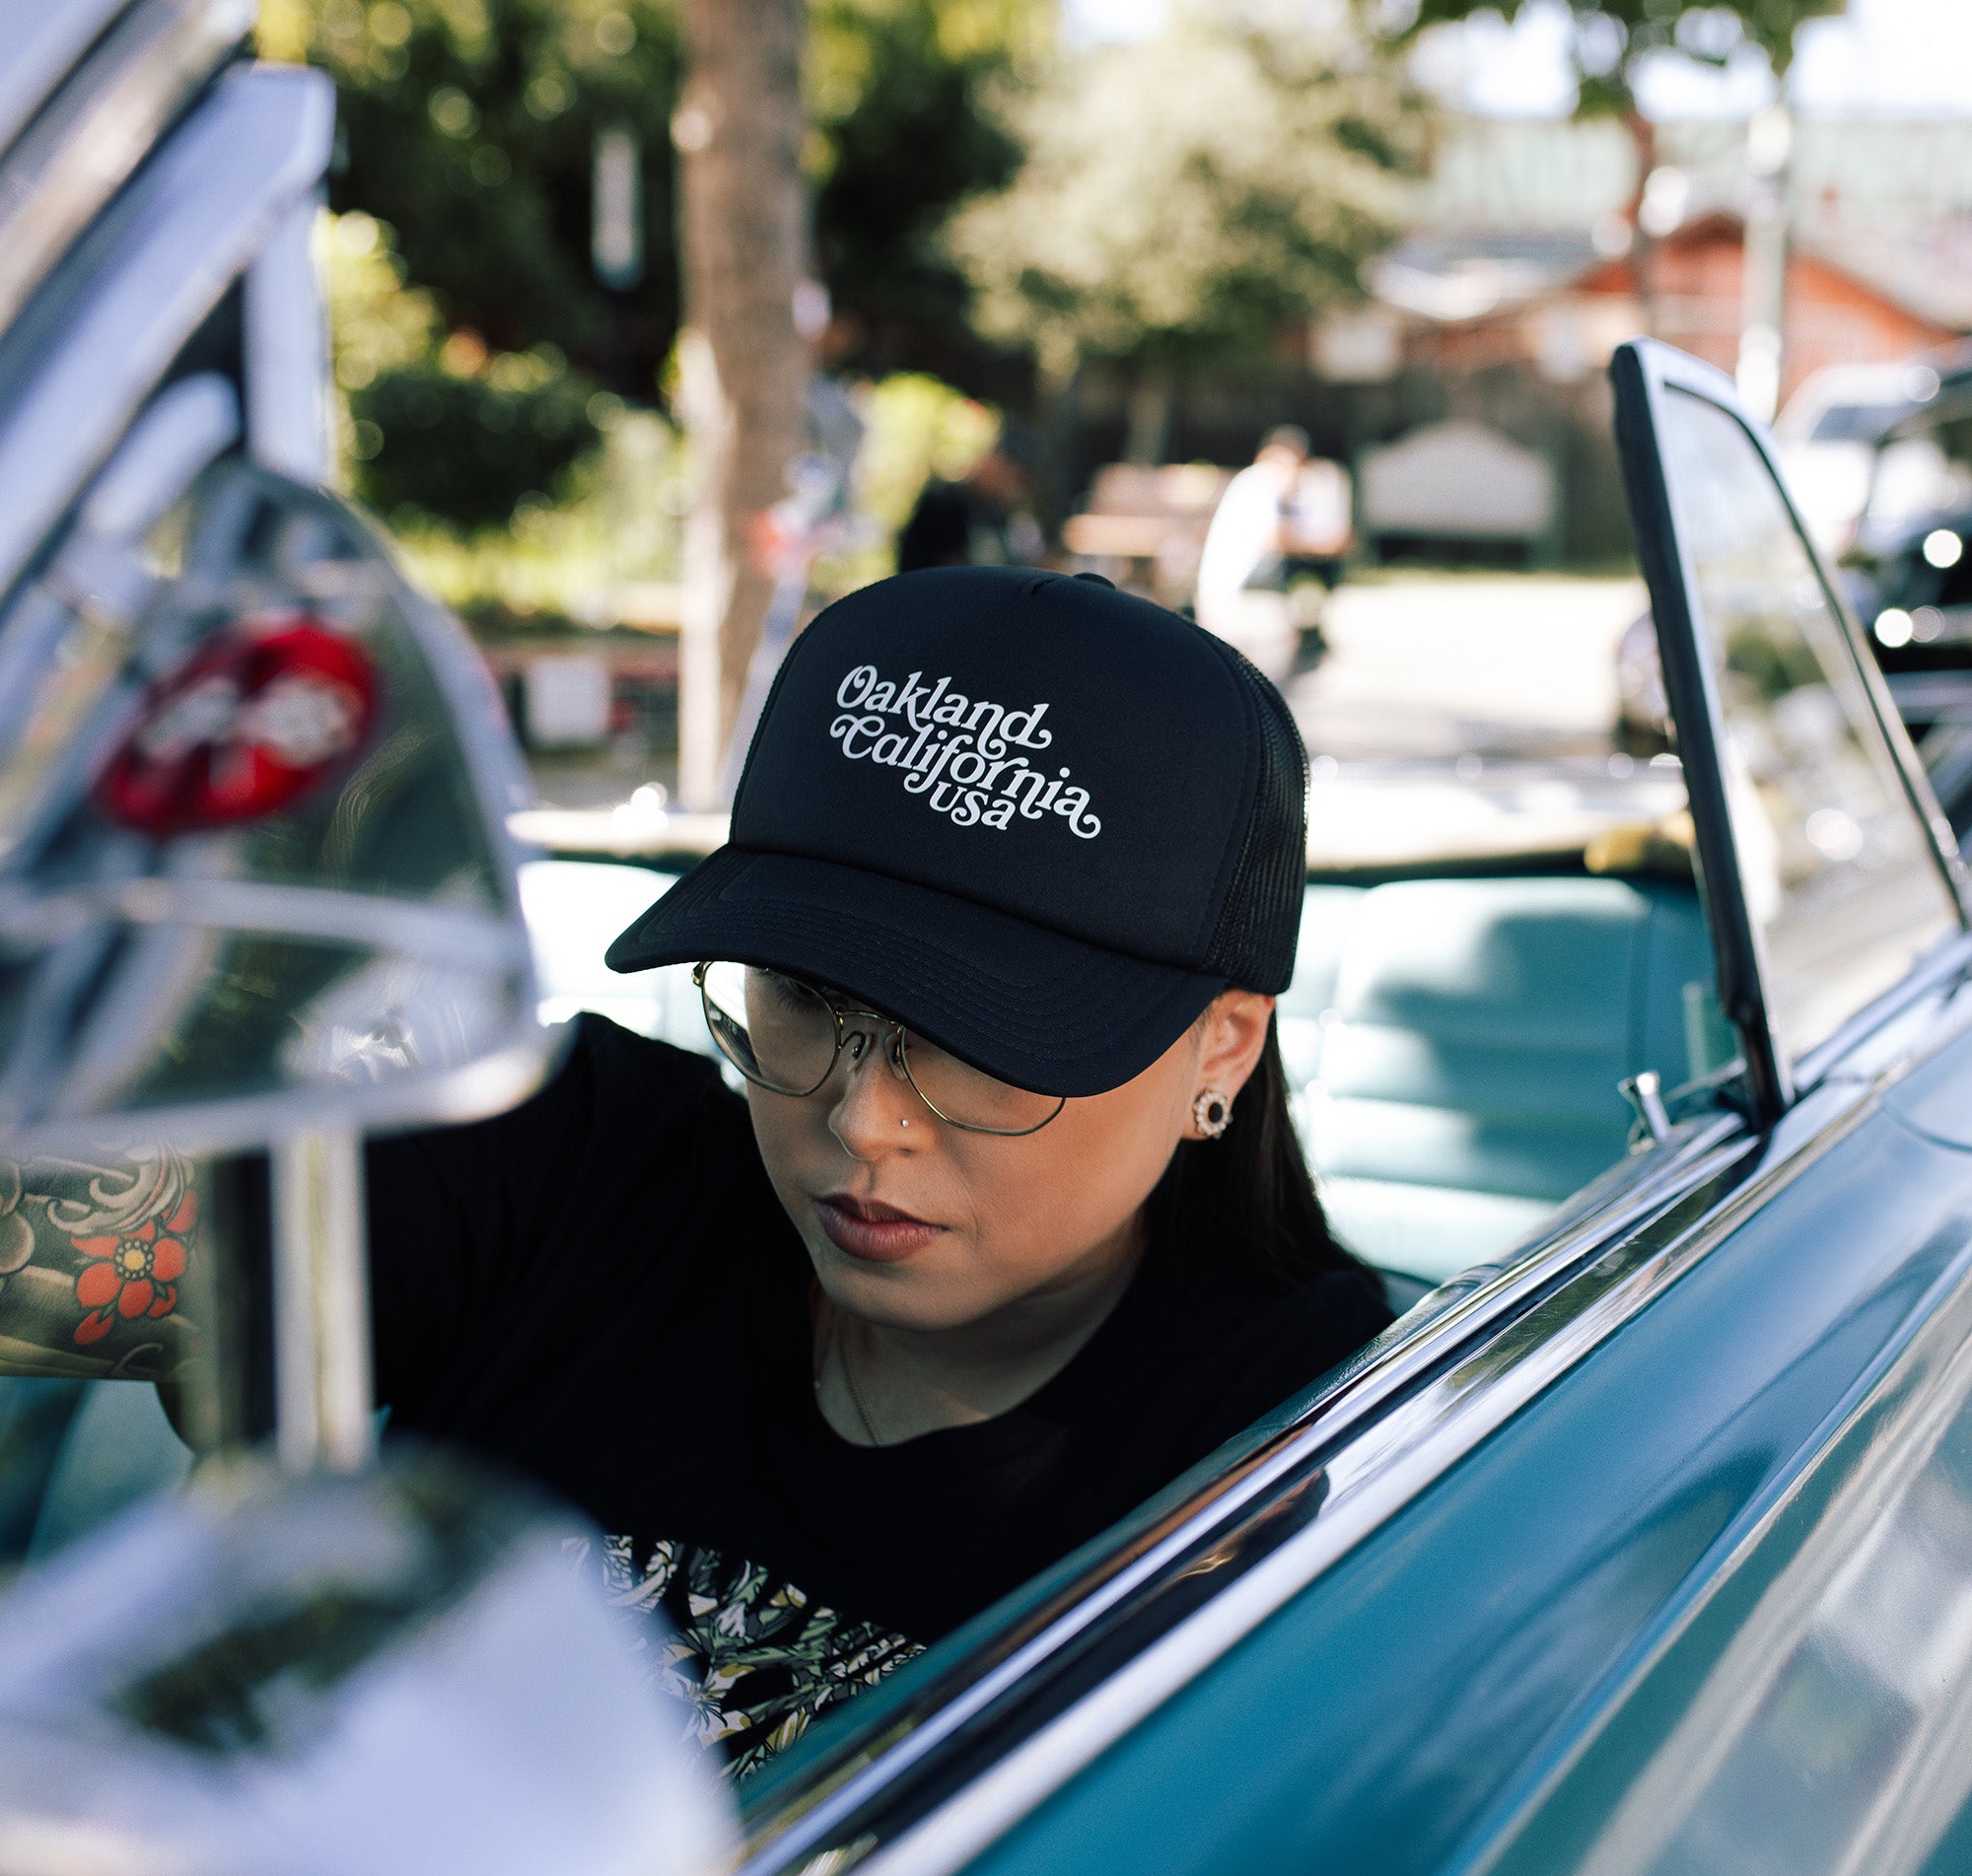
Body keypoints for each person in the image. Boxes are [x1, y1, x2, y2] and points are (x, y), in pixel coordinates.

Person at [365, 567, 1387, 1775]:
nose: (861, 1121)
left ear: (1220, 1046)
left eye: (981, 1042)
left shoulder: (1290, 1438)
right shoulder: (571, 1159)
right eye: (802, 993)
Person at [1195, 424, 1329, 681]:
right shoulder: (1265, 481)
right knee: (1268, 674)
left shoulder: (1255, 483)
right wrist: (1320, 545)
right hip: (1240, 597)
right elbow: (1278, 539)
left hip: (1234, 596)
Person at [895, 440, 1045, 573]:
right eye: (1009, 475)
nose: (1009, 486)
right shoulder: (943, 502)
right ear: (995, 461)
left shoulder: (994, 512)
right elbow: (944, 566)